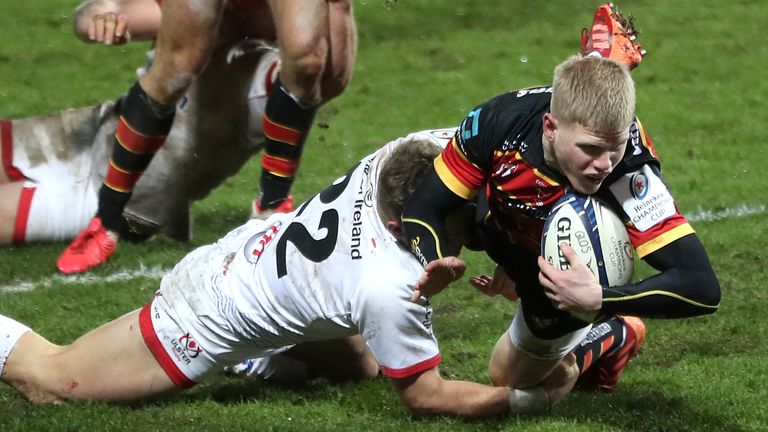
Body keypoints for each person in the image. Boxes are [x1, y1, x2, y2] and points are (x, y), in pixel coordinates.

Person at [0, 130, 641, 416]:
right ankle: (246, 353)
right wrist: (528, 399)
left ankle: (265, 352)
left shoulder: (408, 155)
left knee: (364, 364)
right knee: (53, 381)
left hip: (271, 263)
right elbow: (427, 397)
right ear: (401, 230)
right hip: (203, 311)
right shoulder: (390, 288)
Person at [399, 4, 720, 396]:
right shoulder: (497, 123)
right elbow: (422, 207)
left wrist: (599, 298)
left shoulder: (629, 172)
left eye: (613, 148)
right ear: (550, 127)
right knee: (471, 213)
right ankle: (603, 60)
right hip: (509, 231)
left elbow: (701, 286)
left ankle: (616, 333)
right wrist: (434, 260)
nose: (603, 165)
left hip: (571, 282)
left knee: (508, 379)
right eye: (590, 149)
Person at [57, 0, 357, 273]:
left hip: (230, 110)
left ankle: (272, 206)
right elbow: (99, 14)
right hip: (155, 142)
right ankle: (105, 220)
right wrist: (99, 17)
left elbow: (327, 75)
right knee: (176, 68)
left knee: (307, 64)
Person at [0, 40, 279, 246]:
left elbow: (302, 75)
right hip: (98, 129)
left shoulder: (274, 74)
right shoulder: (199, 17)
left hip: (114, 195)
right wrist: (106, 12)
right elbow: (97, 18)